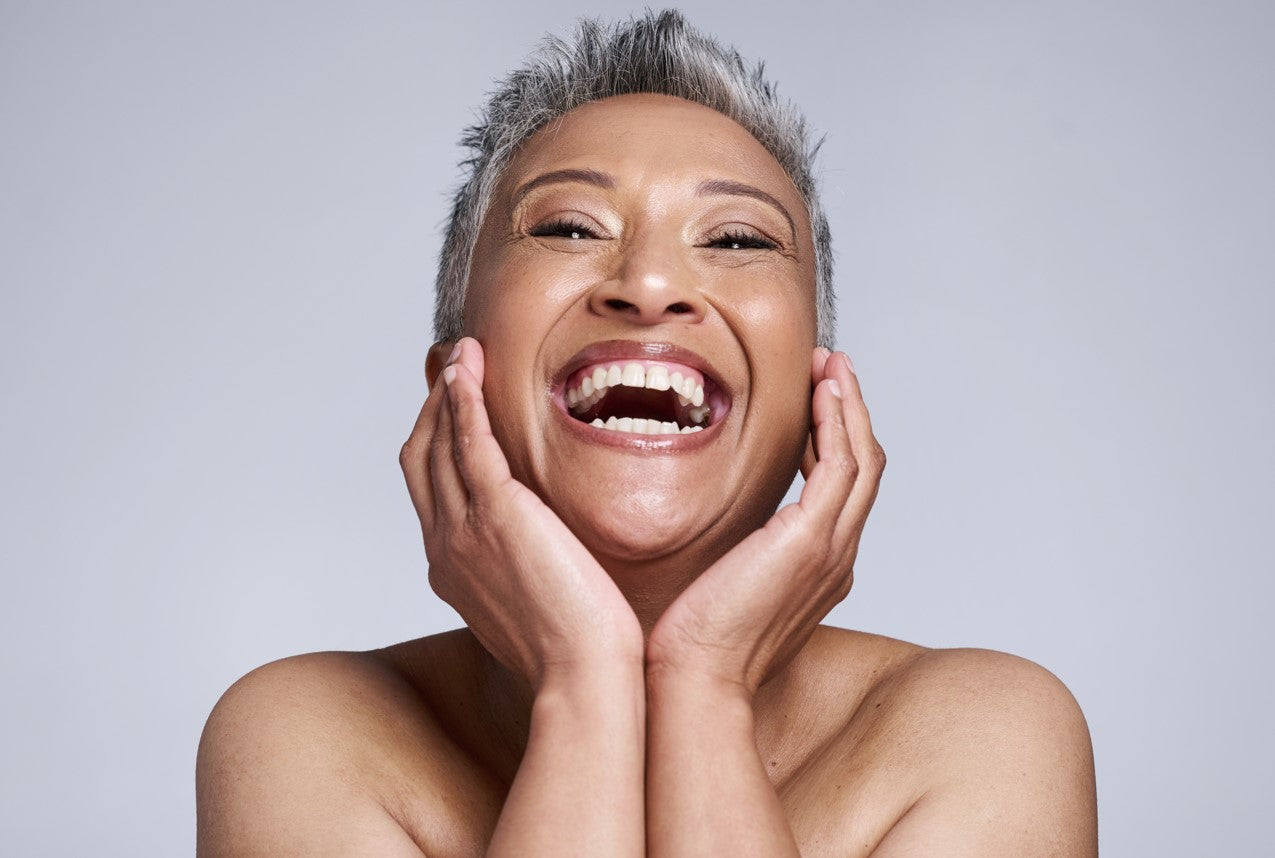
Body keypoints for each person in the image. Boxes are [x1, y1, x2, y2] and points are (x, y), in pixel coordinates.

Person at [196, 11, 1097, 856]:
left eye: (737, 240)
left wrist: (704, 681)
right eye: (568, 227)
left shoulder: (983, 734)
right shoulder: (304, 732)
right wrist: (581, 681)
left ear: (817, 393)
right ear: (451, 383)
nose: (650, 284)